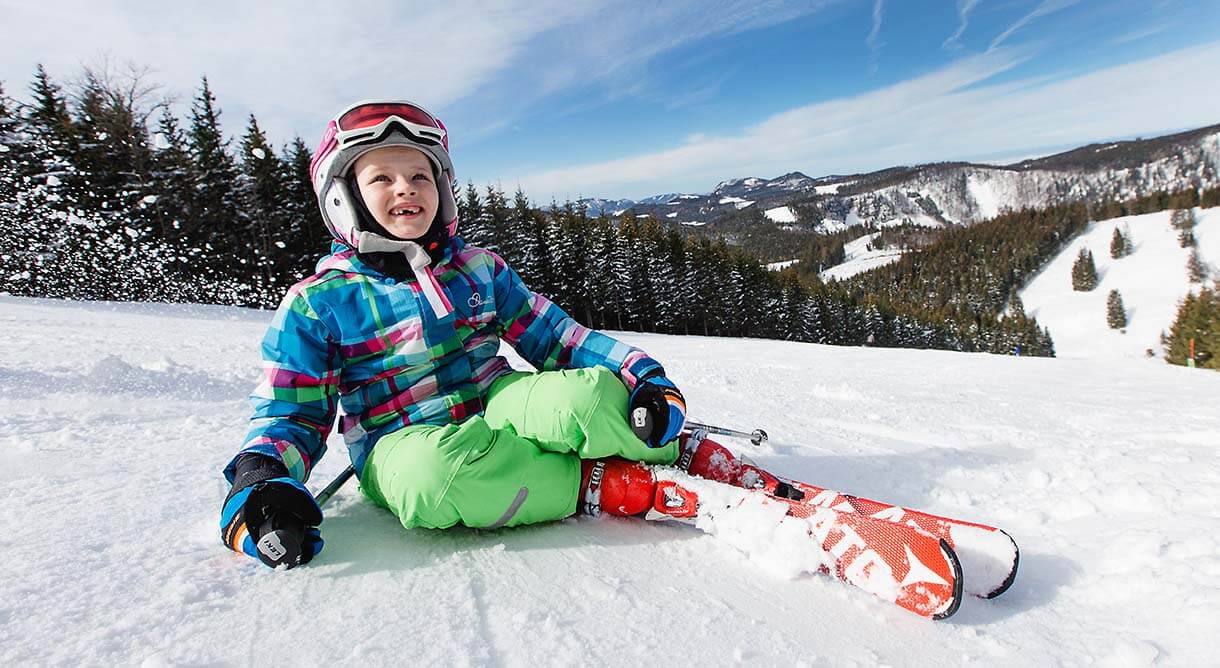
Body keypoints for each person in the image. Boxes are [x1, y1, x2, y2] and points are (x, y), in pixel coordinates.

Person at [219, 100, 690, 568]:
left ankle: (668, 444)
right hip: (402, 435)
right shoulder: (318, 302)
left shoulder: (478, 269)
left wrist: (640, 373)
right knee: (432, 480)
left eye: (420, 176)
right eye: (382, 178)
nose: (406, 187)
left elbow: (554, 336)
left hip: (495, 397)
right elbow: (292, 413)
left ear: (442, 190)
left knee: (581, 399)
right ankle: (587, 480)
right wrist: (260, 478)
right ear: (344, 199)